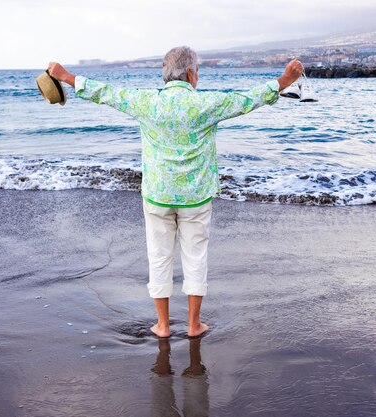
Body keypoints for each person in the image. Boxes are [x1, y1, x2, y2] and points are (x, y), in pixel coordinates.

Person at [48, 46, 303, 338]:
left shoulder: (146, 102)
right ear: (192, 74)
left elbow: (105, 92)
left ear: (165, 75)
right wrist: (284, 80)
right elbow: (247, 99)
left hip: (157, 195)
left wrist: (66, 76)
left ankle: (163, 325)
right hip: (196, 197)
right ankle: (194, 325)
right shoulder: (207, 103)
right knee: (195, 257)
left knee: (158, 257)